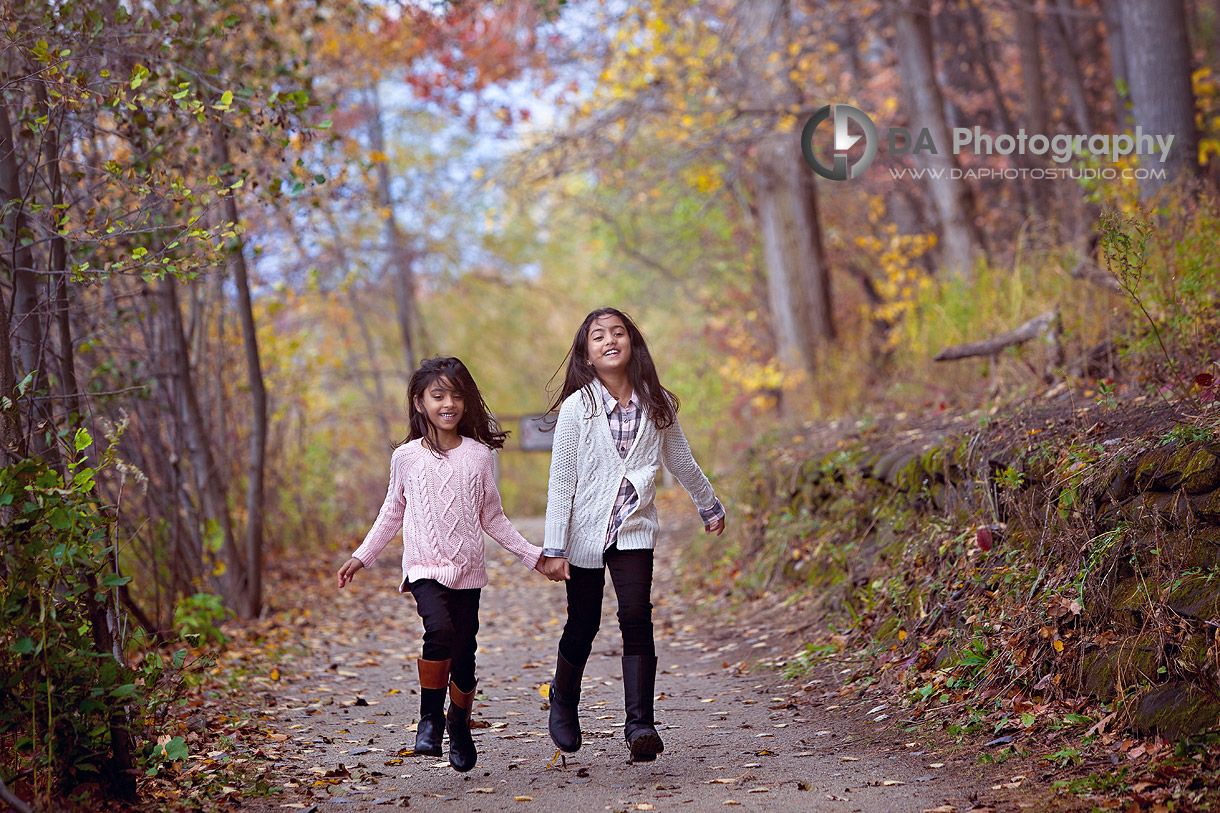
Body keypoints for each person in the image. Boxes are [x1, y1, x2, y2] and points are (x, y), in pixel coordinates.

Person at [336, 356, 560, 773]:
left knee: (465, 655)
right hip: (423, 567)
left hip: (468, 572)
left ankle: (459, 724)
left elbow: (492, 517)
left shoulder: (478, 457)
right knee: (438, 629)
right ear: (420, 403)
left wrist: (535, 558)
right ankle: (430, 718)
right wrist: (361, 556)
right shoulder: (406, 457)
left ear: (466, 401)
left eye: (456, 395)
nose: (448, 404)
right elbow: (392, 511)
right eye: (438, 395)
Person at [538, 308, 727, 762]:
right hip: (583, 531)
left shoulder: (655, 401)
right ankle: (563, 700)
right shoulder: (577, 407)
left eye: (618, 332)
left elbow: (680, 458)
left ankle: (640, 724)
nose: (609, 340)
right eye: (598, 336)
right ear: (586, 351)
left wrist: (709, 503)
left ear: (632, 343)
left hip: (634, 527)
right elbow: (561, 479)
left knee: (636, 615)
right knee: (583, 622)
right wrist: (554, 546)